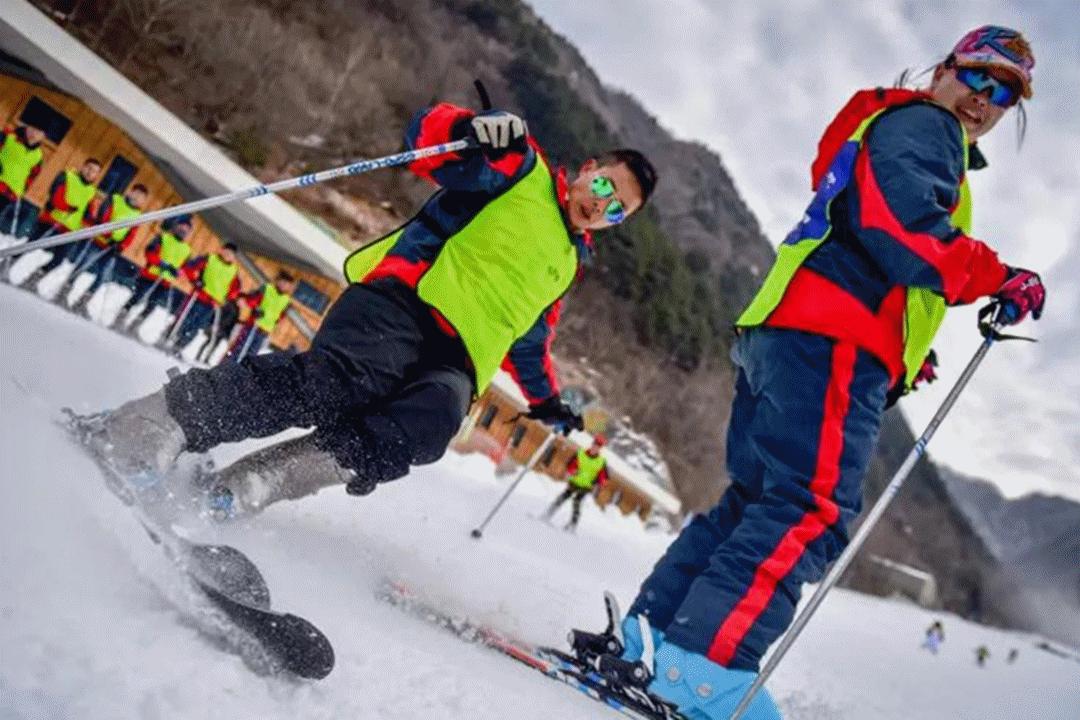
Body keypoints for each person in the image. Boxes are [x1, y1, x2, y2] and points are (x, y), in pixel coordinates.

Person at [614, 26, 1045, 720]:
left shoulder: (893, 127)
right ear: (943, 70)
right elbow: (902, 230)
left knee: (754, 504)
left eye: (1006, 95)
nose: (985, 101)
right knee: (806, 512)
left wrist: (909, 348)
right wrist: (998, 276)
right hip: (830, 338)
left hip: (792, 332)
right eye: (980, 77)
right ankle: (702, 672)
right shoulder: (926, 127)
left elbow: (860, 235)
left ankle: (649, 642)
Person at [73, 100, 656, 524]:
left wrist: (546, 401)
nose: (602, 206)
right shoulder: (520, 169)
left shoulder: (568, 263)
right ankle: (151, 423)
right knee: (341, 383)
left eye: (618, 210)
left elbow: (530, 340)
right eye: (605, 187)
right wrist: (469, 129)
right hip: (405, 302)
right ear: (587, 169)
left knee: (422, 430)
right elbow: (428, 147)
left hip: (458, 363)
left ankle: (254, 482)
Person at [59, 183, 148, 317]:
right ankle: (64, 291)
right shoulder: (115, 200)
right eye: (136, 193)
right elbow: (103, 216)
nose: (137, 198)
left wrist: (121, 246)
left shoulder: (137, 215)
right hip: (99, 241)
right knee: (83, 265)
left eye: (141, 197)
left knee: (102, 277)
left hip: (113, 249)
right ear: (130, 192)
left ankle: (83, 302)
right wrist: (108, 235)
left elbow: (131, 234)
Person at [18, 157, 102, 292]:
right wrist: (66, 207)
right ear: (83, 167)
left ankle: (33, 279)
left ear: (97, 176)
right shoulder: (67, 176)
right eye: (89, 168)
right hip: (51, 220)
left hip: (69, 230)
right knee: (31, 245)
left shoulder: (92, 192)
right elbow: (55, 196)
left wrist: (93, 221)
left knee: (58, 260)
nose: (90, 173)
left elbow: (88, 214)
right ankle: (8, 262)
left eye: (94, 172)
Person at [111, 216, 194, 336]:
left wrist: (177, 272)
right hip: (151, 275)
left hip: (165, 282)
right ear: (176, 226)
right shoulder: (163, 237)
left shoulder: (187, 250)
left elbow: (185, 267)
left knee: (152, 305)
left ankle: (135, 326)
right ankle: (120, 318)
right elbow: (149, 252)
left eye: (187, 229)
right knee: (137, 298)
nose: (183, 230)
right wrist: (161, 263)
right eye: (182, 227)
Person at [166, 242, 242, 353]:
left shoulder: (233, 272)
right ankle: (168, 337)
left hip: (212, 304)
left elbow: (235, 290)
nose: (227, 255)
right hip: (198, 296)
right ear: (221, 250)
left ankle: (179, 347)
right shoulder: (209, 259)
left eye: (231, 254)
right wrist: (195, 281)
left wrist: (226, 299)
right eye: (226, 251)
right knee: (184, 318)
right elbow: (190, 267)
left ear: (233, 257)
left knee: (196, 326)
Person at [224, 271, 298, 363]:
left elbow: (280, 316)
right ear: (278, 281)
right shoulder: (267, 289)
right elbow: (253, 300)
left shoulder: (286, 301)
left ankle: (241, 372)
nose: (284, 285)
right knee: (239, 348)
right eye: (282, 282)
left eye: (287, 284)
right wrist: (253, 307)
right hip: (253, 325)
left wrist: (274, 323)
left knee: (252, 354)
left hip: (265, 331)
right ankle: (226, 366)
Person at [544, 434, 609, 532]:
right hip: (575, 481)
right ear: (592, 444)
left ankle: (572, 525)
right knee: (563, 497)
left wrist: (600, 482)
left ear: (600, 449)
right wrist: (571, 470)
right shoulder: (580, 453)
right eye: (595, 445)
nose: (595, 448)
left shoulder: (601, 462)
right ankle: (547, 514)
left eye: (598, 447)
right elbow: (571, 464)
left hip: (586, 486)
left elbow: (603, 476)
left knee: (577, 502)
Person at [0, 122, 46, 239]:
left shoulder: (38, 157)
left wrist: (21, 191)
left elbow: (31, 177)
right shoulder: (9, 137)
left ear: (43, 136)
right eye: (32, 128)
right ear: (26, 127)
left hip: (9, 194)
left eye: (38, 132)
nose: (33, 134)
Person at [196, 299, 240, 363]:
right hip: (219, 327)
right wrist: (217, 325)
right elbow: (222, 316)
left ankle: (206, 358)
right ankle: (200, 356)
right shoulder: (230, 306)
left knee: (214, 343)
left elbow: (232, 322)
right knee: (210, 341)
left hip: (223, 329)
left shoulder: (236, 309)